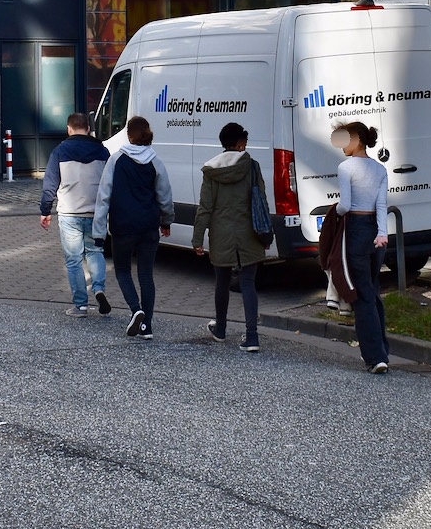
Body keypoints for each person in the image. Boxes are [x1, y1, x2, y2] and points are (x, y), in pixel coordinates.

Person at [92, 116, 173, 339]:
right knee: (146, 275)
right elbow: (165, 195)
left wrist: (99, 233)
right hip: (149, 226)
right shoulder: (155, 161)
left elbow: (103, 197)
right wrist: (166, 220)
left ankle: (136, 309)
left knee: (122, 270)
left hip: (123, 226)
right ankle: (147, 326)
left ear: (128, 135)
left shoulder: (116, 159)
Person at [193, 121, 268, 352]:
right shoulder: (252, 167)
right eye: (245, 140)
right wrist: (266, 232)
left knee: (222, 282)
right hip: (249, 233)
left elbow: (205, 207)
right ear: (239, 143)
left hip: (221, 234)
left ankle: (221, 329)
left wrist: (197, 238)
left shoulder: (211, 170)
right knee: (248, 283)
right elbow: (262, 201)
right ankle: (252, 337)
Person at [39, 111, 112, 317]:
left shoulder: (60, 151)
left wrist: (45, 211)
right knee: (95, 251)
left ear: (69, 129)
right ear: (88, 129)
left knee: (73, 260)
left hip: (69, 213)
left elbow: (50, 185)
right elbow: (110, 183)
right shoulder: (103, 152)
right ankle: (99, 289)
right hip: (96, 212)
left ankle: (80, 306)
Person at [333, 120, 391, 373]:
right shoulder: (380, 169)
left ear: (356, 140)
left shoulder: (345, 167)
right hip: (376, 231)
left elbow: (345, 205)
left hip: (355, 228)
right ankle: (382, 350)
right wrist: (382, 232)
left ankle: (375, 356)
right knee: (373, 289)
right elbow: (382, 205)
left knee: (362, 294)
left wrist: (334, 212)